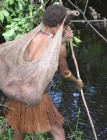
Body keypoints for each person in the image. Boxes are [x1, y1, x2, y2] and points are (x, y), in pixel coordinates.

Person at [5, 4, 84, 140]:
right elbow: (64, 72)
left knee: (20, 129)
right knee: (57, 130)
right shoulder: (59, 48)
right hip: (35, 95)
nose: (65, 29)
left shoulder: (32, 37)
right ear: (60, 25)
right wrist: (77, 82)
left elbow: (43, 48)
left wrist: (62, 40)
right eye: (64, 27)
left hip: (19, 91)